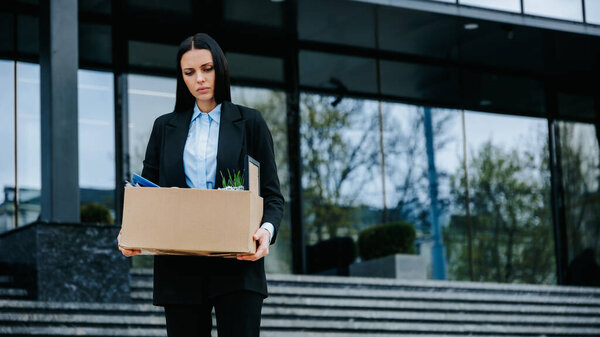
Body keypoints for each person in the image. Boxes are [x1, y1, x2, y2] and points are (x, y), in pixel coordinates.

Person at [117, 33, 284, 337]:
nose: (200, 79)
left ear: (221, 68)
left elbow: (272, 196)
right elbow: (146, 194)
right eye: (189, 72)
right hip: (179, 269)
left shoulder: (251, 123)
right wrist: (130, 230)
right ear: (181, 78)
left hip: (237, 264)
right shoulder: (164, 127)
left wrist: (266, 231)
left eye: (207, 68)